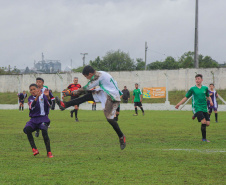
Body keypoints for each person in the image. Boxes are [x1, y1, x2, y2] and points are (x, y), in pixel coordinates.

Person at [55, 65, 126, 150]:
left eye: (86, 76)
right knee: (87, 96)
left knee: (110, 119)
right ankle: (65, 105)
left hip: (112, 97)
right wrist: (73, 92)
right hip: (104, 92)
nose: (87, 78)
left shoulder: (97, 76)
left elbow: (86, 87)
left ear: (90, 73)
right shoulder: (101, 73)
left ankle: (121, 136)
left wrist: (71, 92)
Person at [175, 74, 213, 142]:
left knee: (207, 123)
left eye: (198, 79)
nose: (197, 80)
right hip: (197, 107)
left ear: (202, 80)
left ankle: (195, 115)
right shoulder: (192, 89)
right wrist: (179, 104)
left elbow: (207, 96)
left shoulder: (205, 88)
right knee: (203, 122)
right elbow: (186, 97)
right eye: (196, 79)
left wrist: (210, 101)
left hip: (204, 107)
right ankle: (204, 139)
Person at [23, 84, 53, 158]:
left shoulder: (43, 96)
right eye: (31, 90)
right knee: (27, 129)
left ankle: (49, 152)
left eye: (34, 89)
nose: (32, 91)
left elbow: (51, 105)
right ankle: (34, 149)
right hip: (33, 120)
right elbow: (31, 106)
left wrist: (48, 97)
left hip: (43, 118)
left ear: (38, 89)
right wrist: (37, 97)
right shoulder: (30, 98)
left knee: (44, 132)